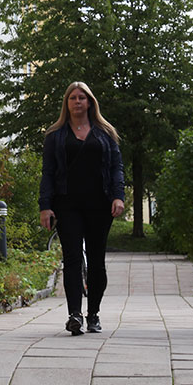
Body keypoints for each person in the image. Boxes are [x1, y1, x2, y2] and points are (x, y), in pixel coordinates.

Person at [39, 81, 125, 336]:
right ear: (67, 103)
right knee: (73, 260)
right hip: (67, 205)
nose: (77, 102)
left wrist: (118, 196)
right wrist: (45, 206)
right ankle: (74, 314)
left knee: (97, 262)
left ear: (90, 102)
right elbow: (48, 174)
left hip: (100, 205)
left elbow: (116, 168)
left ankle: (94, 314)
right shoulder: (55, 136)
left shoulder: (106, 133)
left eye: (82, 98)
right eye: (73, 98)